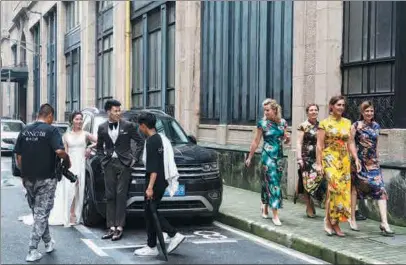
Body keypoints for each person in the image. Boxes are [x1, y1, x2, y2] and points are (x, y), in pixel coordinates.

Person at [14, 103, 71, 262]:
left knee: (38, 212)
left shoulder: (25, 130)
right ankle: (32, 249)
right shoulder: (51, 130)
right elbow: (59, 151)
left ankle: (48, 242)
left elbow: (18, 156)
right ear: (50, 116)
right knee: (41, 213)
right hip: (46, 179)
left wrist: (23, 173)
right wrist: (67, 159)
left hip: (28, 178)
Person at [134, 112, 185, 257]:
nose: (140, 129)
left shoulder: (151, 141)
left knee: (151, 211)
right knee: (149, 212)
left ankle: (173, 234)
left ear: (143, 126)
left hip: (154, 182)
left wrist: (149, 187)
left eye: (140, 126)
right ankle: (151, 245)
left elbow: (153, 168)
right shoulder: (159, 139)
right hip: (161, 182)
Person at [96, 99, 143, 241]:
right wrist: (103, 160)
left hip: (124, 164)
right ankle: (110, 227)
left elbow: (140, 142)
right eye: (115, 111)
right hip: (109, 163)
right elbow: (99, 147)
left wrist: (134, 159)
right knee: (110, 195)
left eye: (119, 110)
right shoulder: (102, 127)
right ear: (108, 111)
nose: (118, 113)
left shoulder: (128, 126)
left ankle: (119, 227)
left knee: (121, 194)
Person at [316, 95, 359, 237]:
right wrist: (318, 163)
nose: (341, 107)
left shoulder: (347, 123)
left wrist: (356, 158)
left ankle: (335, 223)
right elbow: (319, 145)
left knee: (342, 192)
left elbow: (350, 142)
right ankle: (329, 222)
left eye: (343, 105)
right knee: (334, 189)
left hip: (344, 160)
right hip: (329, 158)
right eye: (338, 105)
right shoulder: (324, 123)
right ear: (331, 106)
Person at [348, 101, 394, 235]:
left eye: (371, 111)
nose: (369, 113)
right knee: (355, 189)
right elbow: (350, 143)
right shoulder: (356, 126)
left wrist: (377, 159)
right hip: (359, 162)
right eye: (367, 111)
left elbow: (375, 145)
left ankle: (384, 223)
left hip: (373, 163)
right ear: (362, 113)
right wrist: (355, 158)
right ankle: (352, 218)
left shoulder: (376, 126)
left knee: (381, 189)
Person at [245, 99, 290, 226]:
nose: (265, 112)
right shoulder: (262, 124)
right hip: (267, 156)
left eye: (268, 110)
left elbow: (286, 140)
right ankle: (275, 214)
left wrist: (287, 139)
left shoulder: (283, 123)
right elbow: (256, 141)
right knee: (274, 183)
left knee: (268, 183)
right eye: (264, 110)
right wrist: (250, 157)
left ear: (275, 110)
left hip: (279, 156)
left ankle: (264, 205)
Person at [49, 111, 97, 226]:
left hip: (81, 164)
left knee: (78, 189)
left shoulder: (85, 134)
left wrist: (90, 147)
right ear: (72, 121)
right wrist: (64, 167)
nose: (79, 121)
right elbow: (64, 153)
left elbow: (99, 140)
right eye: (77, 119)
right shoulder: (66, 136)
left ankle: (73, 214)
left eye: (81, 119)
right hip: (70, 164)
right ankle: (70, 213)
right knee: (70, 189)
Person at [296, 103, 326, 218]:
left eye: (315, 110)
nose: (314, 112)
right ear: (307, 112)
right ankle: (308, 204)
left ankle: (316, 201)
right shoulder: (303, 126)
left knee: (319, 181)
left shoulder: (321, 125)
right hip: (306, 158)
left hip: (318, 157)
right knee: (307, 182)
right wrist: (299, 158)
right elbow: (299, 142)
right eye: (311, 110)